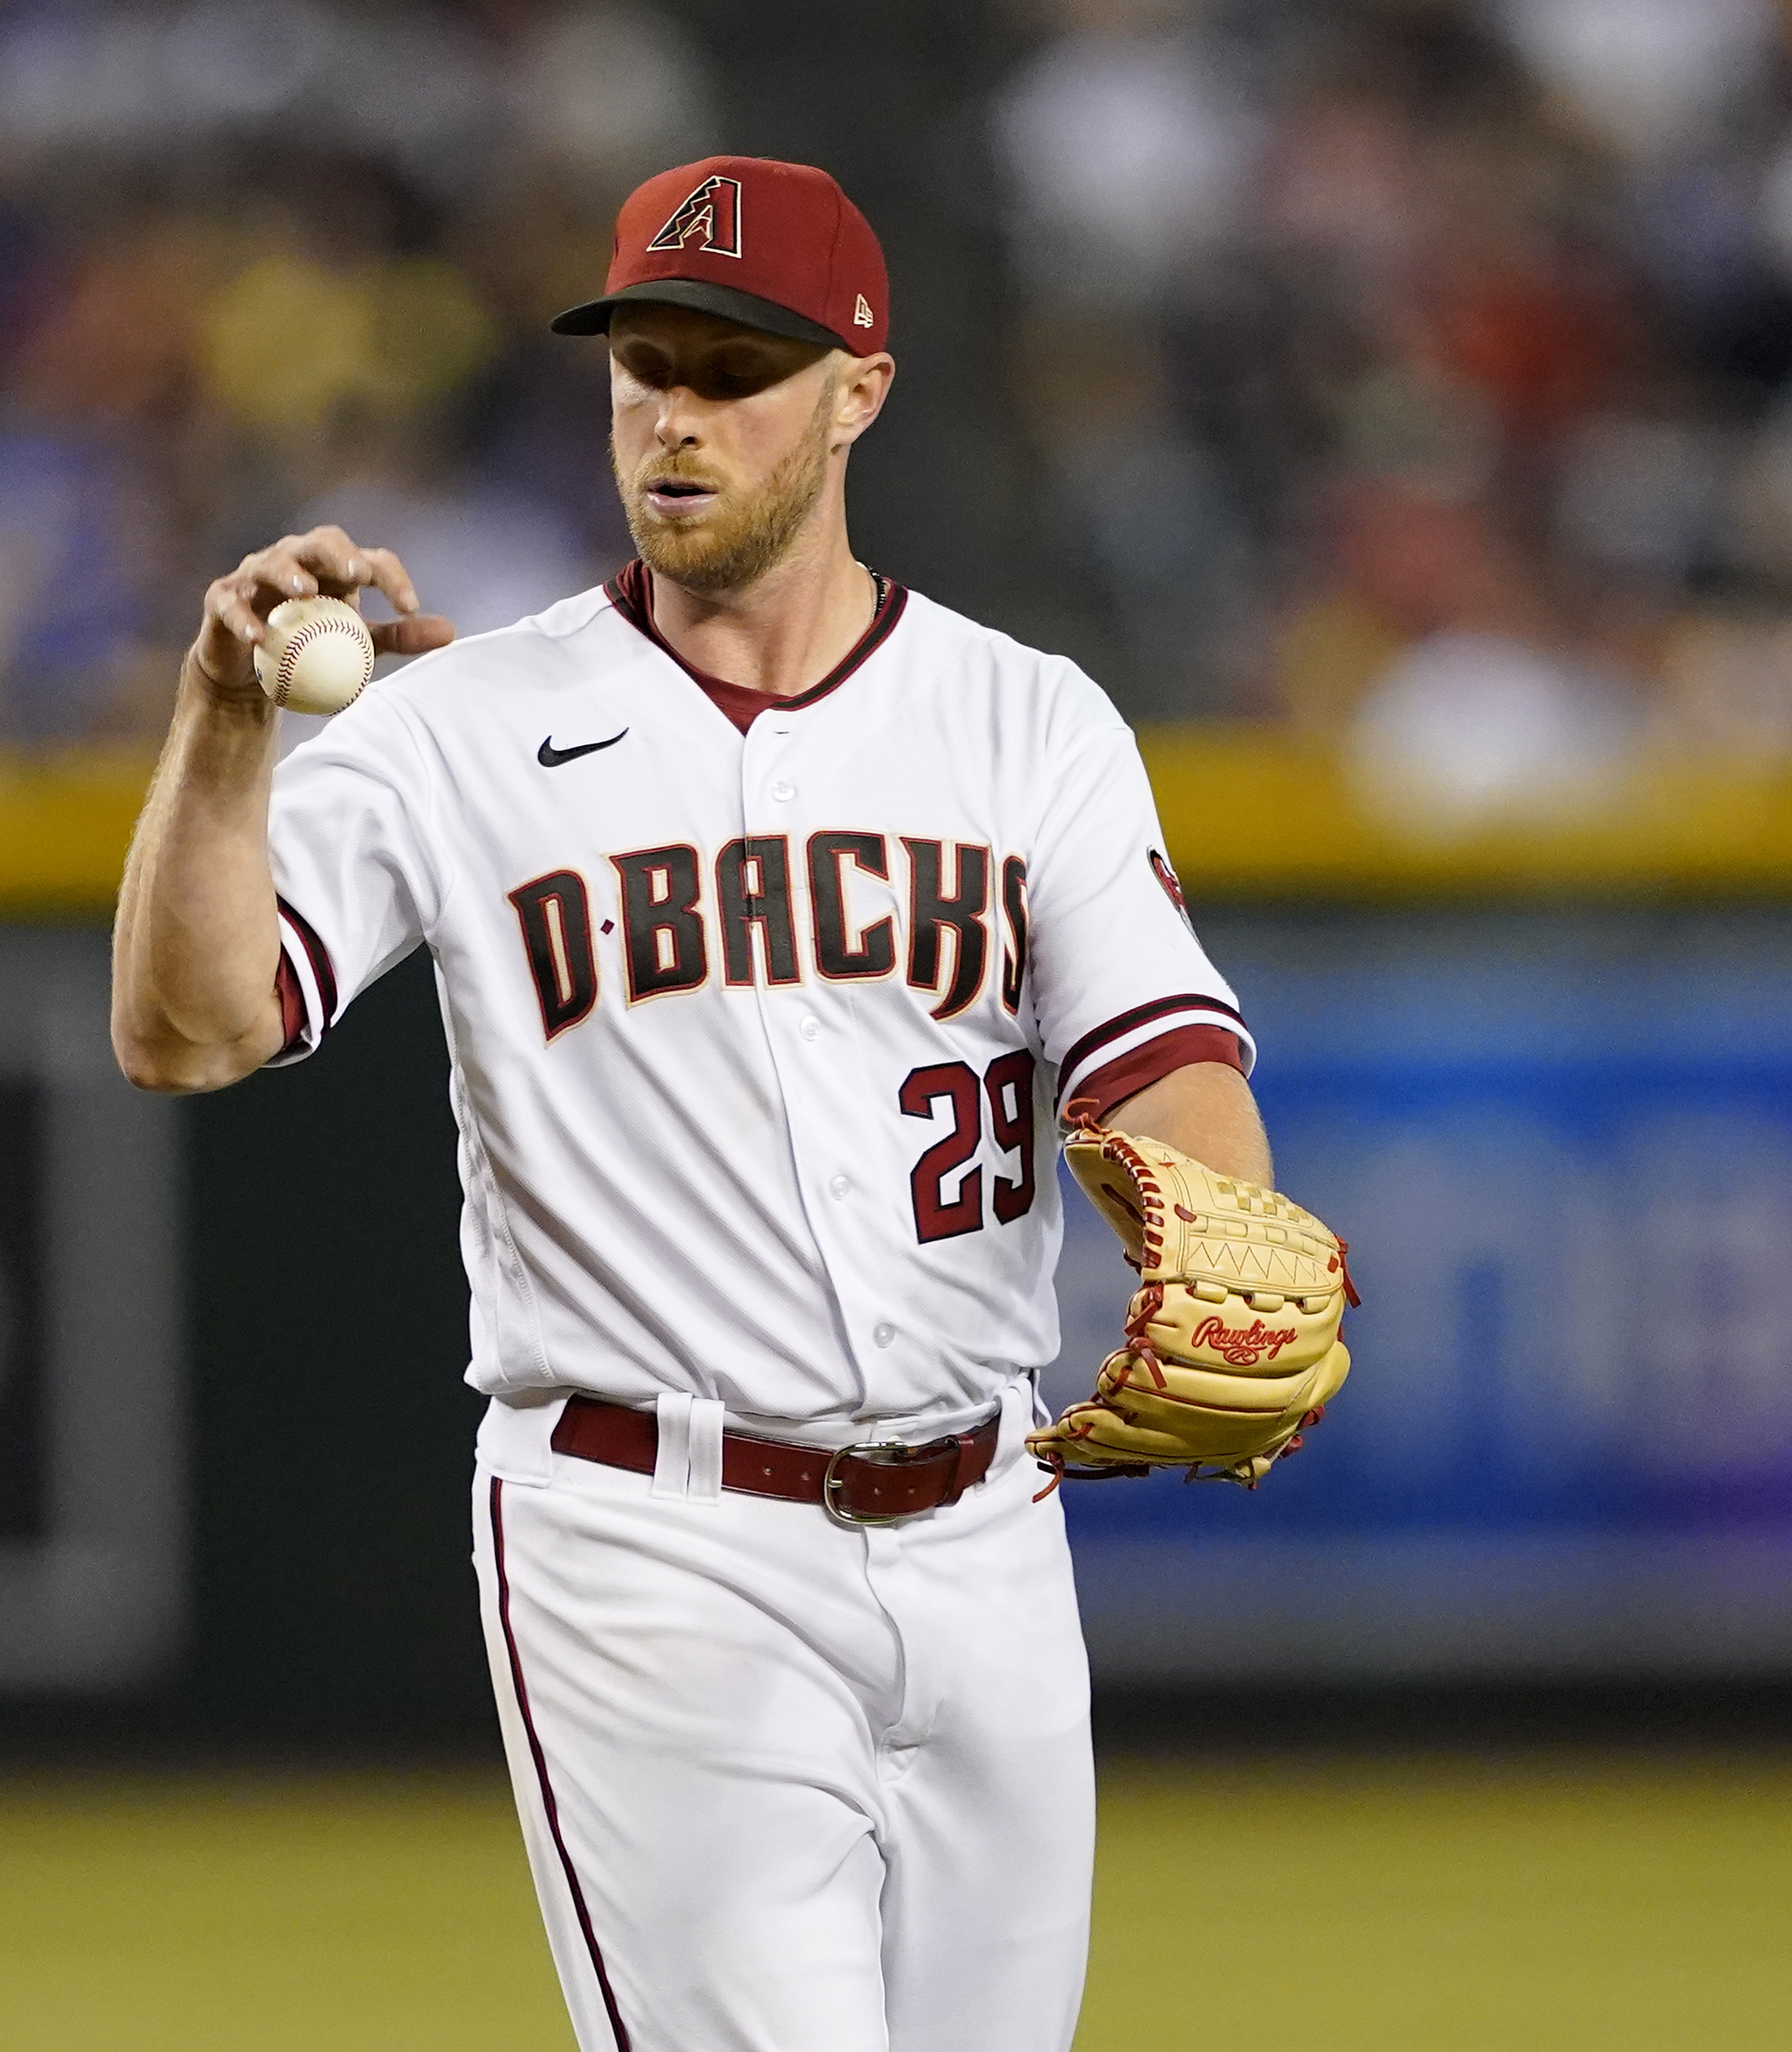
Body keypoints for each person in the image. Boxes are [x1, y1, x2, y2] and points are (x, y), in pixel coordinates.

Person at [113, 156, 1308, 2052]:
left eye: (732, 366)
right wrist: (220, 721)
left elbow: (1159, 1056)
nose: (673, 412)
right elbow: (190, 1027)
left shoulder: (1026, 719)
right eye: (641, 364)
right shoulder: (457, 725)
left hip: (987, 1525)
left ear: (857, 390)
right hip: (650, 1538)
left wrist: (1220, 1237)